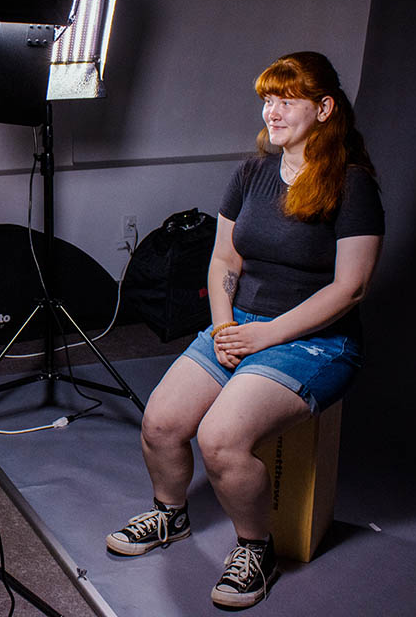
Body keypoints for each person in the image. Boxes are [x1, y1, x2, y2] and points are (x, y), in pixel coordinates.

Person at [105, 52, 384, 608]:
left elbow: (350, 288)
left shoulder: (352, 186)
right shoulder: (251, 172)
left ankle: (256, 550)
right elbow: (224, 261)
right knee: (161, 421)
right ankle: (170, 516)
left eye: (286, 100)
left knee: (221, 439)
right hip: (243, 324)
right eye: (266, 99)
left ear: (324, 108)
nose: (271, 112)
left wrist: (267, 335)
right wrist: (224, 328)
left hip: (315, 340)